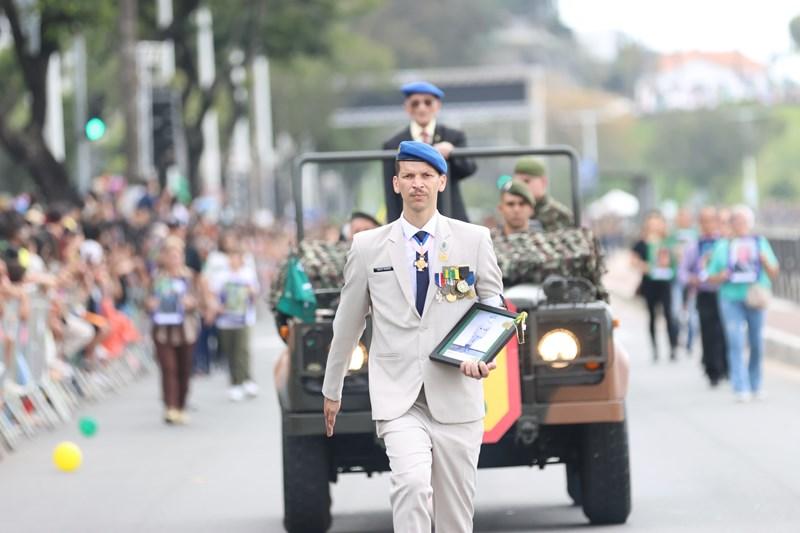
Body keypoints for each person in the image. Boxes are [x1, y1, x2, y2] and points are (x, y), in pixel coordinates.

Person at [323, 141, 503, 532]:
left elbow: (493, 303)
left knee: (455, 516)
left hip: (456, 391)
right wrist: (331, 388)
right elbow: (348, 321)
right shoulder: (368, 246)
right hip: (398, 395)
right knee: (412, 483)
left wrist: (482, 353)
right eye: (408, 176)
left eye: (426, 176)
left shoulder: (473, 239)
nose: (417, 183)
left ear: (442, 181)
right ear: (396, 183)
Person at [707, 205, 780, 402]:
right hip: (730, 298)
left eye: (743, 221)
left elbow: (774, 272)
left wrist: (764, 262)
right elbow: (710, 276)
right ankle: (740, 385)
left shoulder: (760, 243)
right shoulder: (723, 246)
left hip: (755, 297)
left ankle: (755, 383)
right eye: (735, 221)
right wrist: (721, 275)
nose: (739, 225)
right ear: (731, 224)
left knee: (756, 341)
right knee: (735, 340)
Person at [382, 81, 477, 223]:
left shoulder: (453, 137)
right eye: (415, 103)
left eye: (428, 102)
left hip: (449, 216)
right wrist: (394, 225)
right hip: (412, 220)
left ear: (437, 106)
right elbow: (391, 193)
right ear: (407, 107)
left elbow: (469, 168)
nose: (421, 108)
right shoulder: (393, 145)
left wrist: (453, 152)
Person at [146, 236, 202, 424]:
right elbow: (146, 300)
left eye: (177, 254)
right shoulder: (157, 278)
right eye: (170, 254)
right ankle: (170, 406)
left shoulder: (189, 277)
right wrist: (150, 304)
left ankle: (181, 405)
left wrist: (191, 303)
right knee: (168, 368)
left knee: (184, 368)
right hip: (163, 330)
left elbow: (199, 299)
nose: (174, 258)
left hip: (186, 329)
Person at [679, 207, 727, 386]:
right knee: (707, 332)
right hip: (704, 293)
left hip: (723, 293)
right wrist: (692, 279)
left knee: (723, 330)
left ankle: (725, 366)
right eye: (704, 221)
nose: (708, 225)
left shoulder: (724, 244)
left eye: (711, 220)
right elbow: (682, 271)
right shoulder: (694, 246)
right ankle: (712, 370)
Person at [208, 239, 260, 402]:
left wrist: (251, 293)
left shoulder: (247, 273)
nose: (233, 260)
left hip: (244, 318)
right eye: (231, 257)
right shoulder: (221, 275)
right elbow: (213, 294)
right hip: (226, 320)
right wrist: (216, 306)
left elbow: (255, 293)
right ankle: (234, 383)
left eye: (236, 257)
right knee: (230, 352)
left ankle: (247, 379)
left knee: (242, 350)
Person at [631, 211, 679, 361]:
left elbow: (675, 259)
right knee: (651, 316)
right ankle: (655, 349)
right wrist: (645, 266)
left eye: (657, 222)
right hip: (649, 283)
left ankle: (673, 347)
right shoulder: (641, 243)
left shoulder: (668, 241)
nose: (654, 225)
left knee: (669, 314)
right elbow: (633, 261)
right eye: (651, 222)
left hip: (665, 282)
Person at [512, 157, 573, 231]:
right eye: (517, 182)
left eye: (526, 181)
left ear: (543, 182)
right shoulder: (511, 211)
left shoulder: (559, 215)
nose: (521, 186)